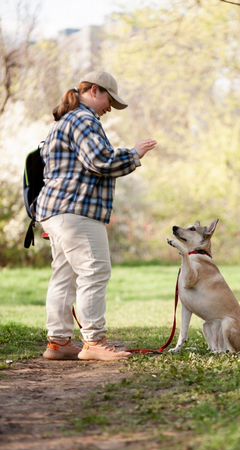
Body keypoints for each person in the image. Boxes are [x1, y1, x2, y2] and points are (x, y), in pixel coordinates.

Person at [37, 70, 157, 361]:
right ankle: (94, 342)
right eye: (109, 100)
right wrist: (134, 154)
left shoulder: (65, 121)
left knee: (63, 276)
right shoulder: (83, 119)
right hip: (76, 211)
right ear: (93, 90)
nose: (109, 109)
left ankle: (59, 342)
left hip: (57, 211)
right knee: (94, 270)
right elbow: (100, 161)